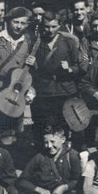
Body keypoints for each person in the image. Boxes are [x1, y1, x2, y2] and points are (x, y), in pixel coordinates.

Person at [27, 11, 84, 142]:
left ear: (60, 25)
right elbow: (32, 70)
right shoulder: (36, 43)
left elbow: (80, 67)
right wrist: (32, 63)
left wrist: (69, 68)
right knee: (45, 128)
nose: (50, 30)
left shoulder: (68, 42)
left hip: (65, 91)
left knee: (66, 126)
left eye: (54, 26)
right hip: (44, 93)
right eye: (47, 27)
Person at [0, 7, 34, 136]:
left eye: (23, 23)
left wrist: (32, 62)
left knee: (14, 131)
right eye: (16, 22)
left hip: (15, 94)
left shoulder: (26, 42)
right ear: (9, 21)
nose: (19, 26)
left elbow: (27, 68)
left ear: (27, 24)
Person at [16, 125, 81, 194]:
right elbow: (21, 181)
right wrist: (39, 189)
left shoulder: (72, 156)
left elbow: (76, 180)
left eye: (52, 142)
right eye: (46, 142)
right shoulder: (40, 157)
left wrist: (63, 187)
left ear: (63, 139)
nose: (49, 146)